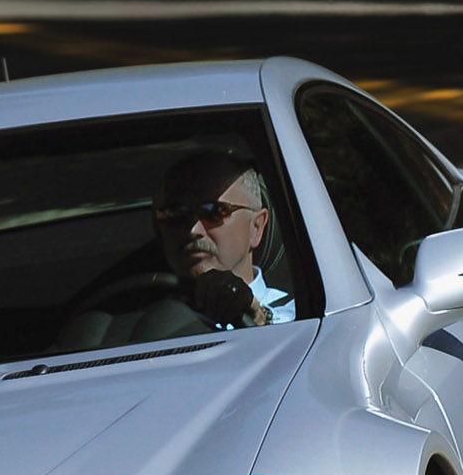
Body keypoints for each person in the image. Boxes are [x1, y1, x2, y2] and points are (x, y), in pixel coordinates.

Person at [56, 147, 294, 349]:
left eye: (213, 211)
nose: (192, 229)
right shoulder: (124, 321)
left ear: (256, 227)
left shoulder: (299, 317)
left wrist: (257, 318)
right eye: (174, 214)